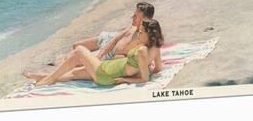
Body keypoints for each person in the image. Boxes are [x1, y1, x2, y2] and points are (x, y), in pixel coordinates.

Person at [31, 19, 164, 86]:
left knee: (79, 51)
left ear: (150, 34)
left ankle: (48, 79)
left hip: (106, 73)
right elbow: (158, 68)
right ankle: (43, 78)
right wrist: (141, 69)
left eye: (141, 32)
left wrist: (125, 80)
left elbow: (145, 79)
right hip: (110, 69)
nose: (138, 33)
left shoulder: (142, 50)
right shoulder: (156, 47)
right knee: (74, 73)